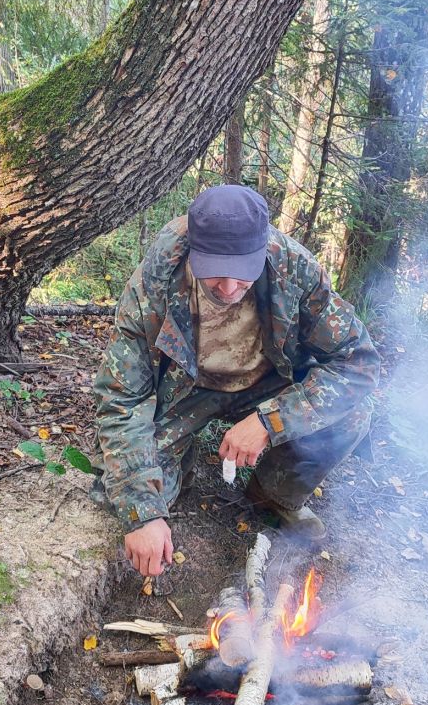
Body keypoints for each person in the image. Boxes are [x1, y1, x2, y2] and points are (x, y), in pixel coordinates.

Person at [90, 184, 381, 576]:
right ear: (193, 250)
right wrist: (143, 515)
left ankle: (275, 492)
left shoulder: (294, 269)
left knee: (352, 412)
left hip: (266, 382)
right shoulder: (154, 282)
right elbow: (122, 399)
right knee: (126, 498)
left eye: (242, 274)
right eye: (214, 273)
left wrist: (270, 420)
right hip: (184, 391)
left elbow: (357, 363)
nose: (227, 289)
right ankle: (182, 466)